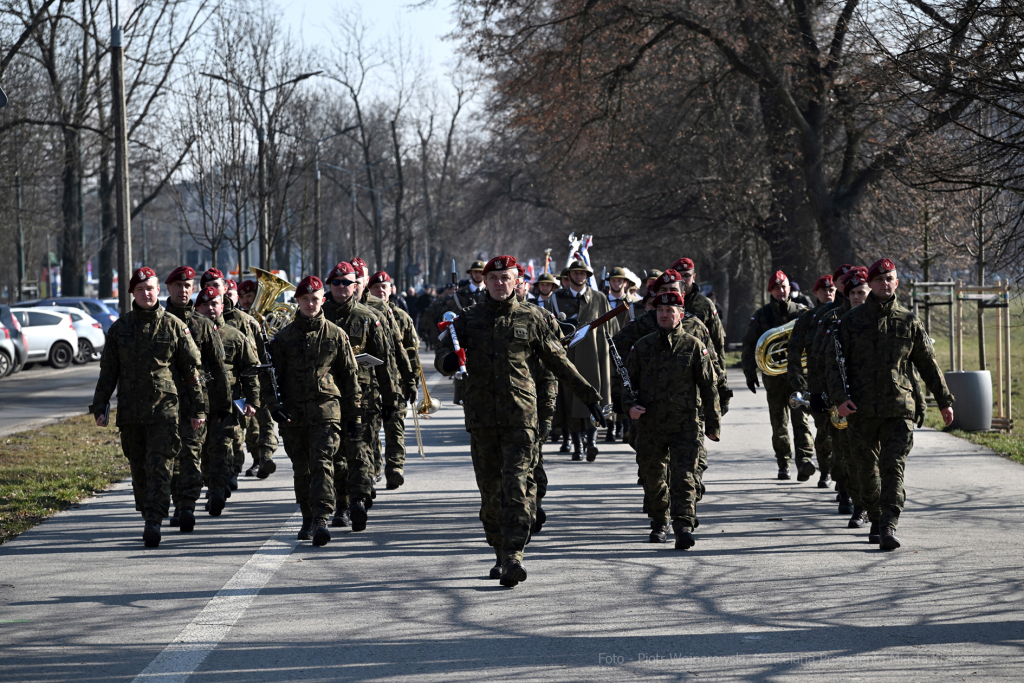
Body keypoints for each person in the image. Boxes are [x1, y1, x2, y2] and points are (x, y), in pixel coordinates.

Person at [434, 255, 604, 587]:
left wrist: (590, 397)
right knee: (491, 494)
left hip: (521, 418)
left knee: (517, 488)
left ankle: (514, 555)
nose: (500, 283)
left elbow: (558, 362)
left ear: (516, 280)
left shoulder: (534, 317)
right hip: (482, 420)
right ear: (486, 281)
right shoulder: (468, 320)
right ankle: (499, 550)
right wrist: (450, 360)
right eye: (494, 277)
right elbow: (443, 357)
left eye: (506, 277)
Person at [827, 258, 954, 550]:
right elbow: (833, 365)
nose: (886, 284)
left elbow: (928, 365)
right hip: (861, 410)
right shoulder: (851, 321)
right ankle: (874, 515)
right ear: (869, 284)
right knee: (865, 472)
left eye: (891, 279)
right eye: (880, 279)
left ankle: (888, 524)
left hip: (899, 410)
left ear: (897, 283)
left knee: (893, 468)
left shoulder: (909, 321)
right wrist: (839, 399)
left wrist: (944, 401)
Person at [90, 267, 205, 548]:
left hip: (165, 412)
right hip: (130, 413)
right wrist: (101, 404)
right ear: (132, 293)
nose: (146, 293)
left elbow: (191, 371)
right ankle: (147, 512)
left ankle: (154, 520)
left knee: (160, 467)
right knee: (139, 469)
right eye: (140, 290)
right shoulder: (120, 328)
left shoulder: (174, 326)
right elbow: (108, 372)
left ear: (158, 291)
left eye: (150, 288)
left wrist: (198, 408)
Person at [267, 275, 363, 546]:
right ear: (297, 301)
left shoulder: (336, 334)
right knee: (302, 469)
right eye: (305, 299)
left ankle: (321, 517)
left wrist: (354, 416)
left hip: (326, 412)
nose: (310, 304)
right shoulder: (284, 338)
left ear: (323, 299)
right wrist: (274, 407)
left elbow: (350, 378)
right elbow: (272, 378)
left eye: (315, 298)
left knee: (322, 464)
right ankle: (307, 516)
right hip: (294, 414)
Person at [624, 290, 721, 549]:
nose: (664, 315)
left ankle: (683, 525)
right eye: (660, 311)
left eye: (670, 311)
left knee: (684, 477)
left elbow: (710, 387)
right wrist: (629, 407)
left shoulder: (693, 346)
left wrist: (712, 425)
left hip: (685, 425)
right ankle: (659, 522)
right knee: (653, 478)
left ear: (680, 315)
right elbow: (626, 384)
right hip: (650, 425)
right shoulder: (642, 347)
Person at [322, 262, 399, 529]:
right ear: (329, 285)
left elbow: (385, 362)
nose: (342, 287)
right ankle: (341, 505)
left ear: (356, 286)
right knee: (335, 455)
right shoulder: (318, 317)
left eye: (347, 283)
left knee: (360, 451)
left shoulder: (367, 318)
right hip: (328, 399)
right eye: (337, 282)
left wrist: (391, 398)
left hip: (363, 398)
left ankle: (358, 499)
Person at [163, 266, 232, 532]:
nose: (183, 290)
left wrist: (222, 406)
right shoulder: (159, 320)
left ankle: (186, 507)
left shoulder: (203, 325)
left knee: (191, 455)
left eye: (188, 286)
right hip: (163, 405)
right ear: (168, 288)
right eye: (178, 286)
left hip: (195, 404)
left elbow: (217, 369)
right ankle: (178, 501)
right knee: (170, 457)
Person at [201, 268, 278, 482]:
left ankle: (261, 458)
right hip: (216, 391)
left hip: (248, 382)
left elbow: (262, 357)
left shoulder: (245, 321)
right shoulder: (198, 320)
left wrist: (264, 386)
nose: (212, 290)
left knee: (256, 425)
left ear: (225, 288)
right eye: (207, 286)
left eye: (216, 286)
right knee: (230, 436)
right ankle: (229, 472)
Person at [809, 267, 869, 524]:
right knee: (846, 454)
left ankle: (875, 509)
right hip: (841, 399)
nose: (857, 297)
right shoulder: (833, 319)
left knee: (871, 458)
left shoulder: (880, 318)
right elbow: (820, 359)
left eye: (861, 292)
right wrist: (817, 393)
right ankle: (853, 500)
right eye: (852, 292)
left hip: (876, 401)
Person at [195, 285, 260, 516]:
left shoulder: (235, 336)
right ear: (197, 308)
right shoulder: (189, 334)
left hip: (227, 404)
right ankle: (211, 485)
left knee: (221, 449)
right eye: (205, 304)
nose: (211, 308)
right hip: (197, 404)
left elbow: (250, 371)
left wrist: (252, 400)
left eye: (215, 304)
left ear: (223, 306)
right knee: (202, 451)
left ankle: (217, 492)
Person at [742, 270, 813, 480]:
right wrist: (749, 372)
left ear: (789, 288)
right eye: (776, 288)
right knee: (779, 422)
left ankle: (804, 461)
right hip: (774, 379)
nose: (781, 291)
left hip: (799, 377)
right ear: (770, 291)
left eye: (784, 287)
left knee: (801, 420)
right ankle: (784, 463)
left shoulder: (802, 311)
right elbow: (749, 345)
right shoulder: (762, 315)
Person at [546, 259, 613, 460]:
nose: (579, 276)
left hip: (594, 356)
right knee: (570, 400)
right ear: (570, 275)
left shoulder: (599, 298)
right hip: (568, 356)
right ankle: (577, 446)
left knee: (593, 396)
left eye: (583, 273)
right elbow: (548, 327)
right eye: (575, 273)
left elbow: (609, 330)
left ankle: (591, 441)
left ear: (587, 276)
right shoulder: (556, 299)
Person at [368, 270, 421, 490]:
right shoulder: (365, 315)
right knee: (371, 428)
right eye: (377, 288)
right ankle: (374, 467)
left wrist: (412, 382)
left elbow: (411, 351)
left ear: (391, 289)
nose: (381, 291)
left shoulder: (401, 317)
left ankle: (395, 468)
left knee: (395, 427)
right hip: (370, 382)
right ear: (369, 291)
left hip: (396, 381)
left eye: (385, 287)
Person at [786, 273, 837, 488]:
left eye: (831, 290)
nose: (828, 293)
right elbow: (794, 350)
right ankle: (825, 471)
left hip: (839, 382)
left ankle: (843, 478)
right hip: (816, 383)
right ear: (815, 293)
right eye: (824, 290)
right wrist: (796, 375)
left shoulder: (842, 315)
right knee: (824, 430)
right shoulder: (807, 319)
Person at [671, 258, 727, 363]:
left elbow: (718, 341)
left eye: (687, 276)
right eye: (679, 276)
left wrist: (721, 374)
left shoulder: (705, 305)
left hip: (700, 366)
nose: (683, 280)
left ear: (694, 277)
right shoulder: (664, 305)